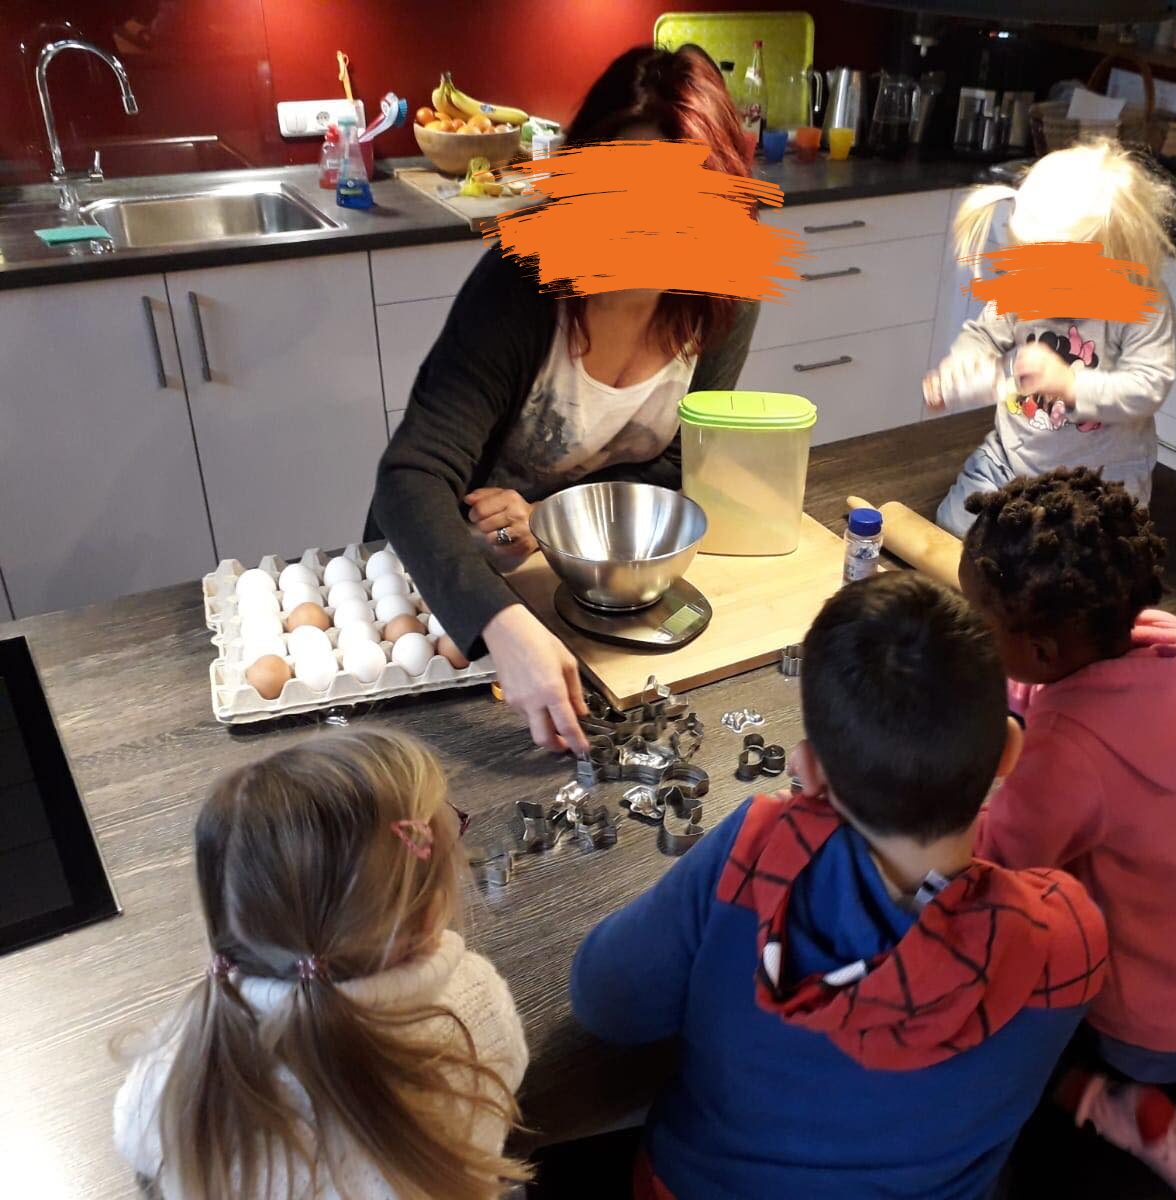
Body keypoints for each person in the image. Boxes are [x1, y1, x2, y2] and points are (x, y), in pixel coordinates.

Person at [569, 572, 1109, 1199]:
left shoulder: (758, 848)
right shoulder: (1069, 938)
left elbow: (603, 999)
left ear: (810, 772)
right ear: (1010, 752)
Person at [368, 45, 761, 752]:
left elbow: (681, 466)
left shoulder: (721, 299)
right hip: (442, 575)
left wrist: (549, 516)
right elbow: (410, 478)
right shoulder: (521, 284)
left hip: (566, 572)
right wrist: (501, 623)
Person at [959, 468, 1176, 1200]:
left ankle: (1123, 1110)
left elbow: (991, 862)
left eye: (978, 624)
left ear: (1042, 650)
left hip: (1142, 1022)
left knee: (990, 1023)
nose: (969, 632)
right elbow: (1051, 682)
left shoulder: (1069, 757)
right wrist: (1014, 680)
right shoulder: (1160, 646)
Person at [112, 730, 529, 1200]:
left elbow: (135, 1141)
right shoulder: (478, 1002)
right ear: (428, 913)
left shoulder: (168, 1080)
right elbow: (508, 1079)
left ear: (229, 916)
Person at [924, 141, 1176, 536]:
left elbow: (1149, 386)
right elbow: (983, 335)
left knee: (1082, 560)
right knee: (957, 527)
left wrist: (1071, 385)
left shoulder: (1144, 304)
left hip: (1101, 478)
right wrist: (960, 369)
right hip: (1010, 459)